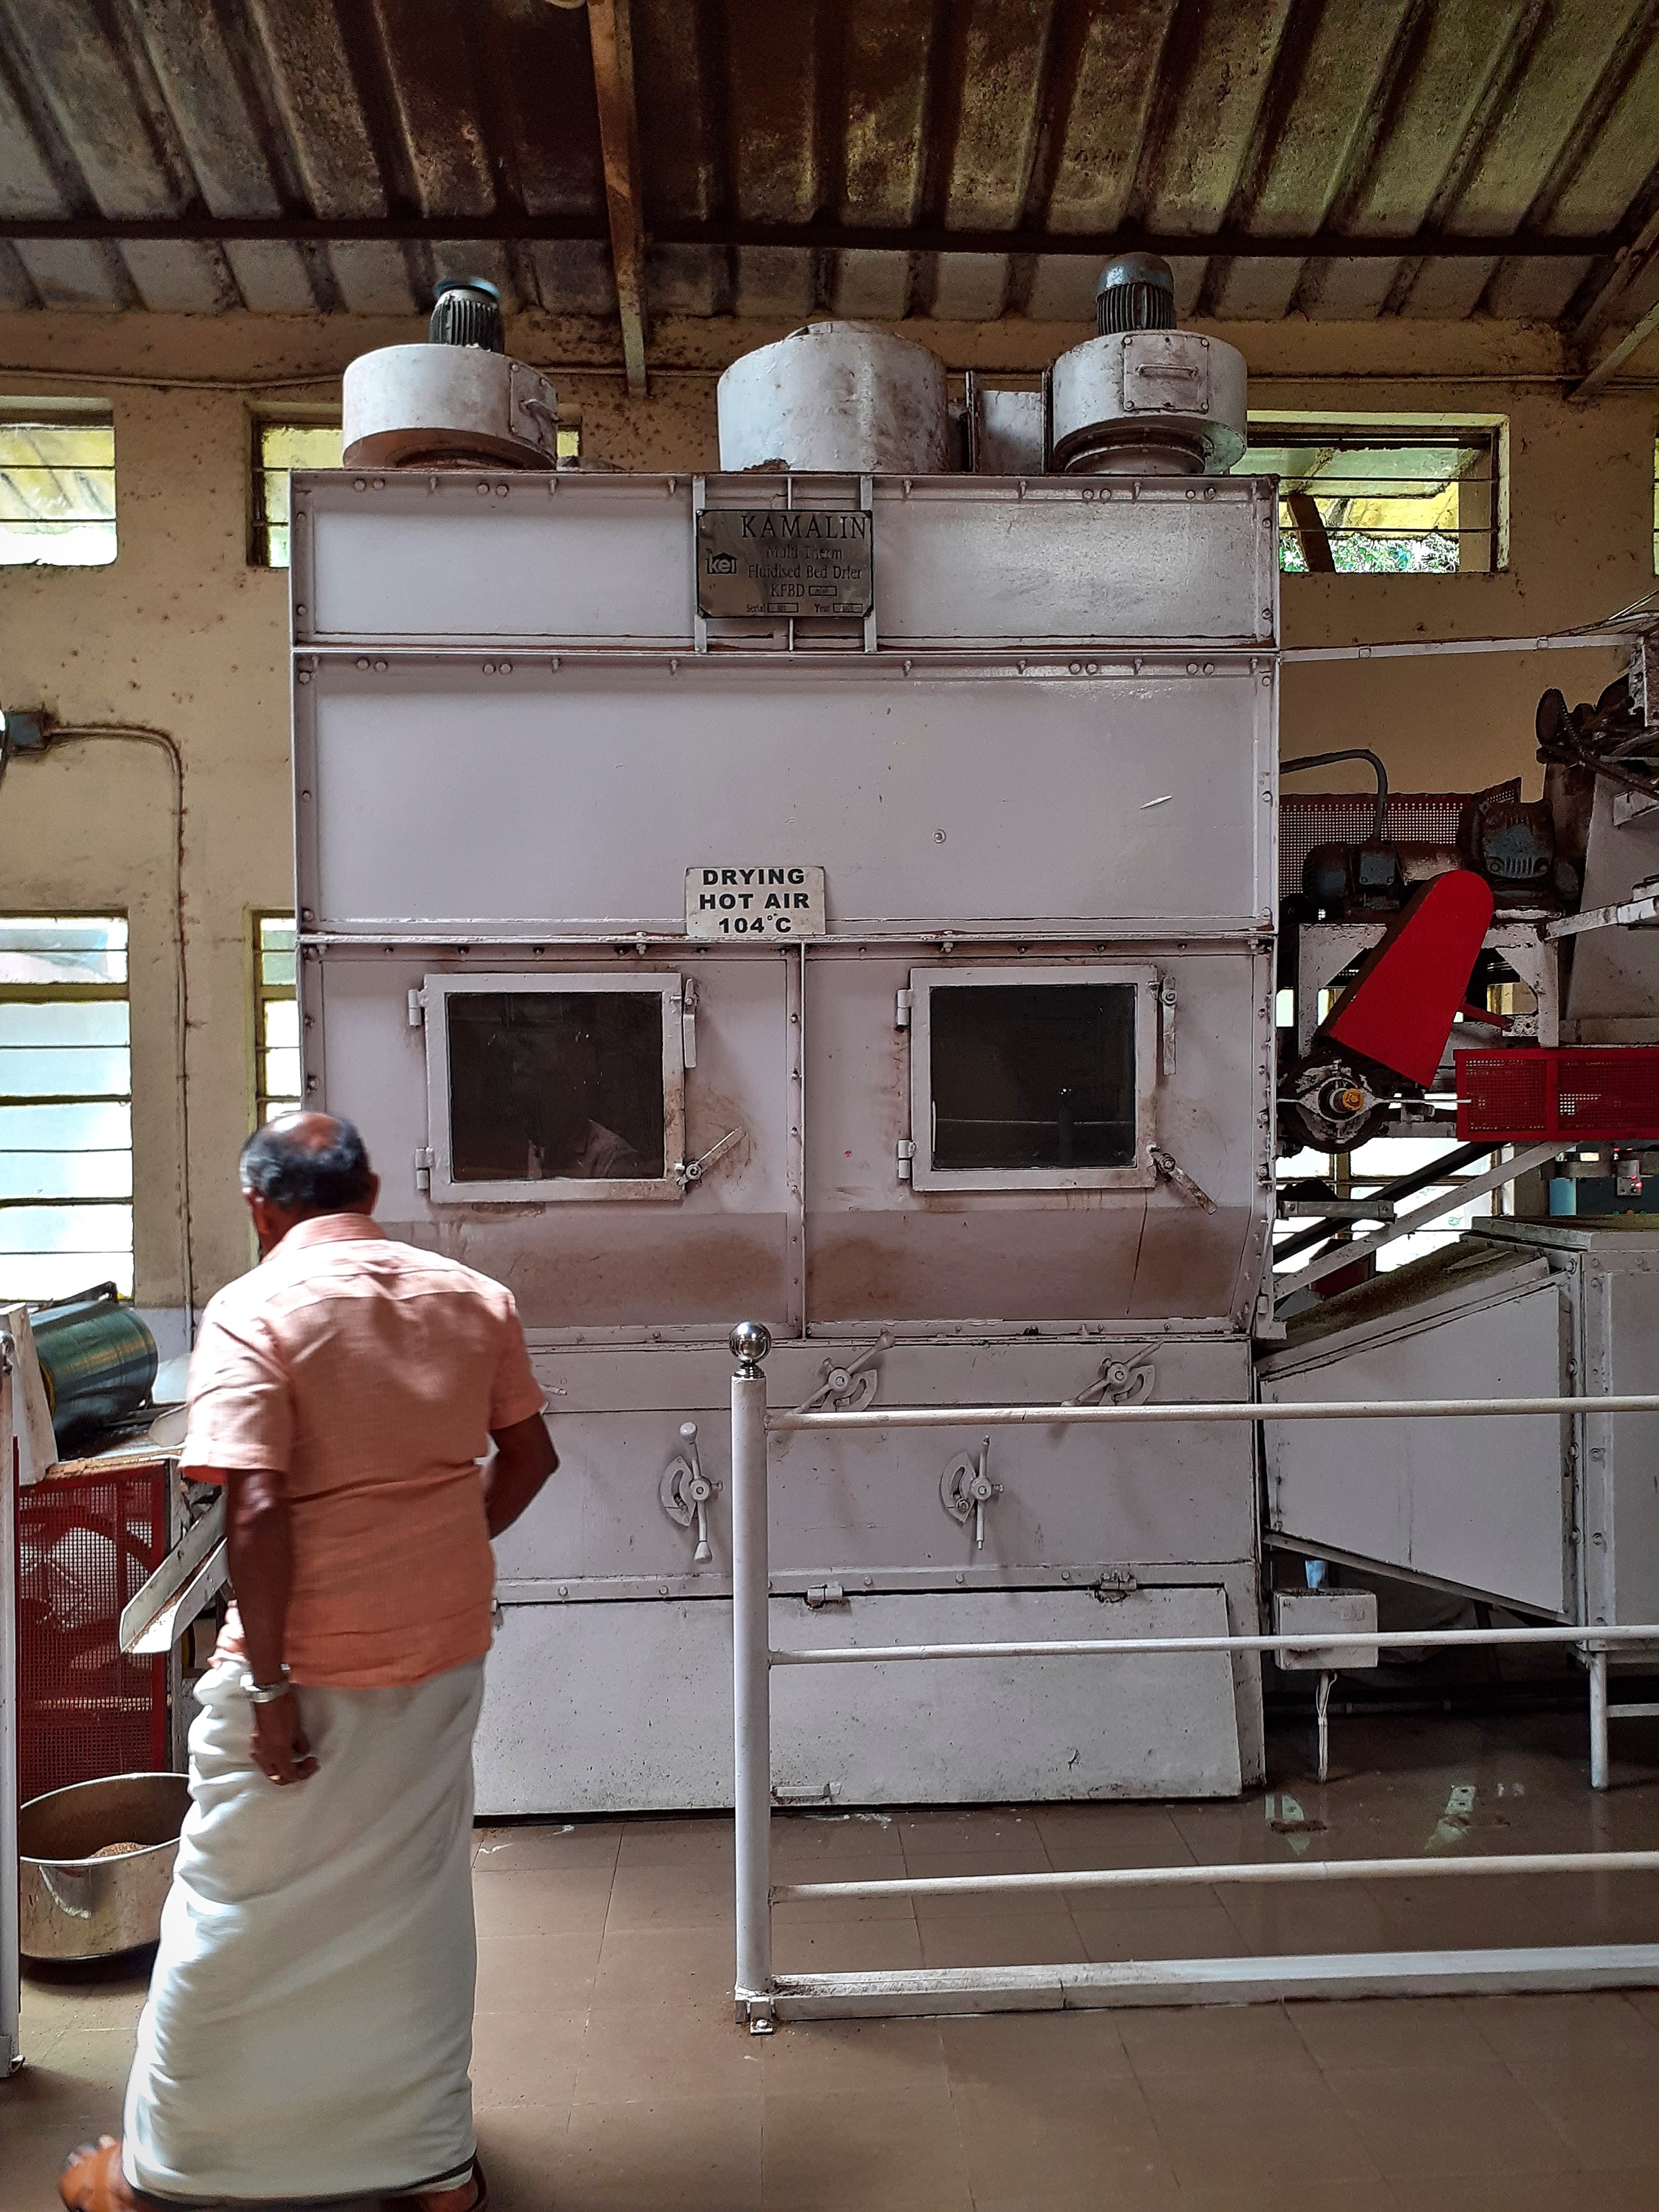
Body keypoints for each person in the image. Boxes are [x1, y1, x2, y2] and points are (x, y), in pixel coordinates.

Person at [60, 1112, 557, 2212]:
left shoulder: (254, 1310)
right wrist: (438, 1549)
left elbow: (258, 1508)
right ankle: (430, 2170)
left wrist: (274, 1689)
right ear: (369, 1190)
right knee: (414, 1900)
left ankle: (160, 2174)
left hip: (306, 1663)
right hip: (440, 1652)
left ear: (259, 1207)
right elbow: (530, 1457)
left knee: (231, 1907)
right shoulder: (472, 1298)